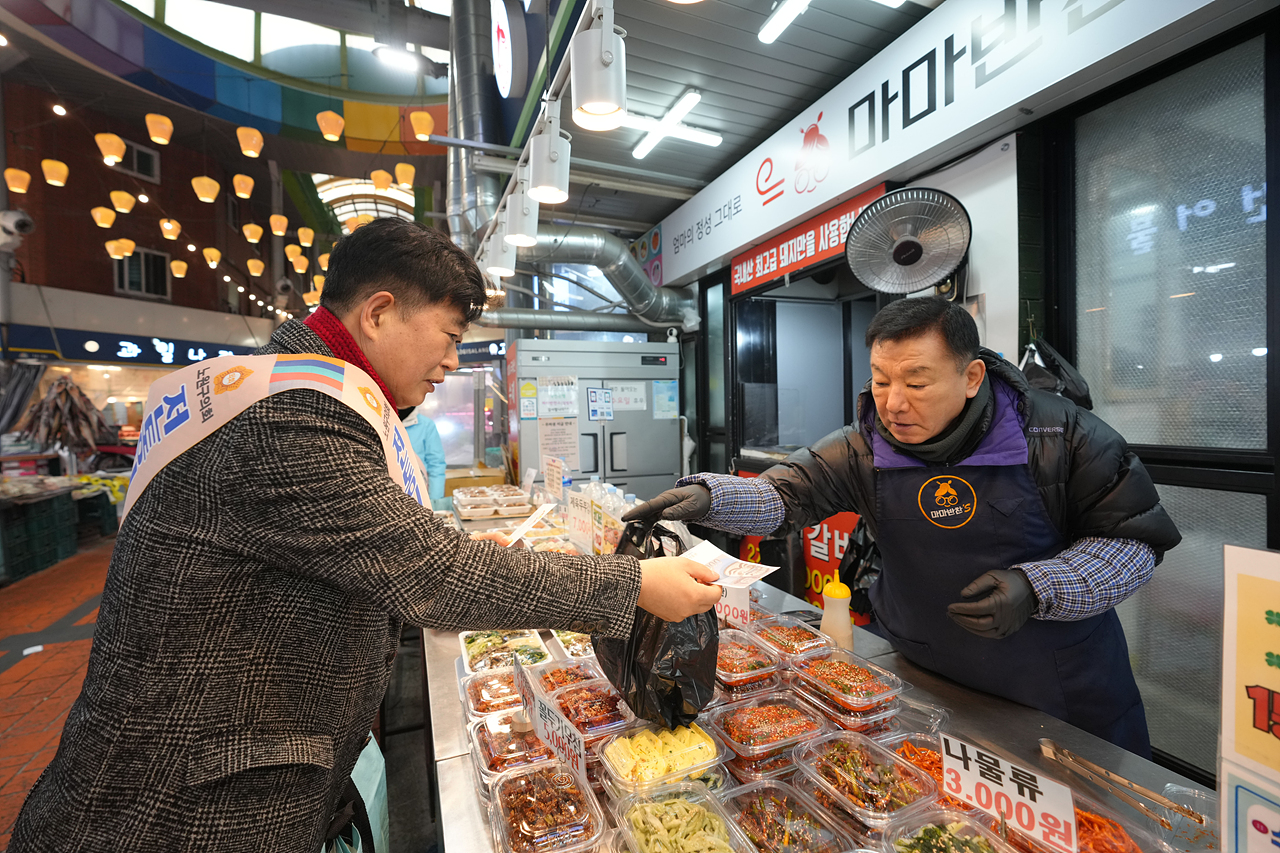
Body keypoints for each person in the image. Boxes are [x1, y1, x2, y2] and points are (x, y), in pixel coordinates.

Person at [9, 219, 722, 851]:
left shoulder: (294, 389)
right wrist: (633, 583)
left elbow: (377, 551)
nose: (450, 364)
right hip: (175, 813)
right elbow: (435, 576)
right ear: (379, 312)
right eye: (447, 338)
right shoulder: (289, 414)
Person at [626, 297, 1180, 756]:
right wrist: (705, 497)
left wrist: (1039, 588)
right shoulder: (864, 446)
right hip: (920, 675)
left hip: (1059, 691)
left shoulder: (1062, 438)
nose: (893, 403)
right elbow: (782, 496)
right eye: (881, 380)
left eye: (916, 383)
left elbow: (1132, 541)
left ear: (971, 376)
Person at [400, 405, 447, 505]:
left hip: (418, 495)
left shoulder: (426, 425)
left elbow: (436, 464)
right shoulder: (381, 421)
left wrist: (434, 502)